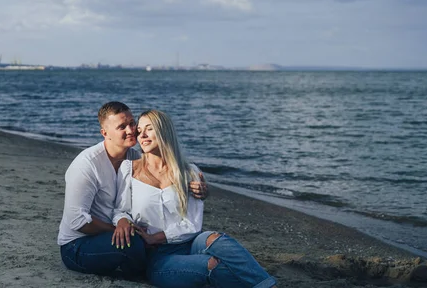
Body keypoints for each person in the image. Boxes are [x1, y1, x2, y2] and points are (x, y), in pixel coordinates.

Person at [112, 109, 277, 288]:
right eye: (140, 130)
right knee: (213, 265)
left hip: (191, 243)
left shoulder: (189, 172)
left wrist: (156, 237)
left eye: (149, 129)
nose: (142, 134)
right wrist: (122, 221)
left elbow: (192, 225)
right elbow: (120, 209)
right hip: (159, 256)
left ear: (164, 132)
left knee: (216, 238)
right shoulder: (129, 169)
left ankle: (267, 285)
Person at [58, 102, 208, 278]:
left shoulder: (134, 158)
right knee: (134, 243)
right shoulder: (87, 165)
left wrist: (199, 191)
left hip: (115, 233)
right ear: (105, 133)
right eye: (122, 126)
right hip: (78, 245)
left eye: (131, 123)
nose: (131, 130)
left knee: (145, 240)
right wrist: (121, 228)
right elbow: (77, 221)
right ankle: (154, 272)